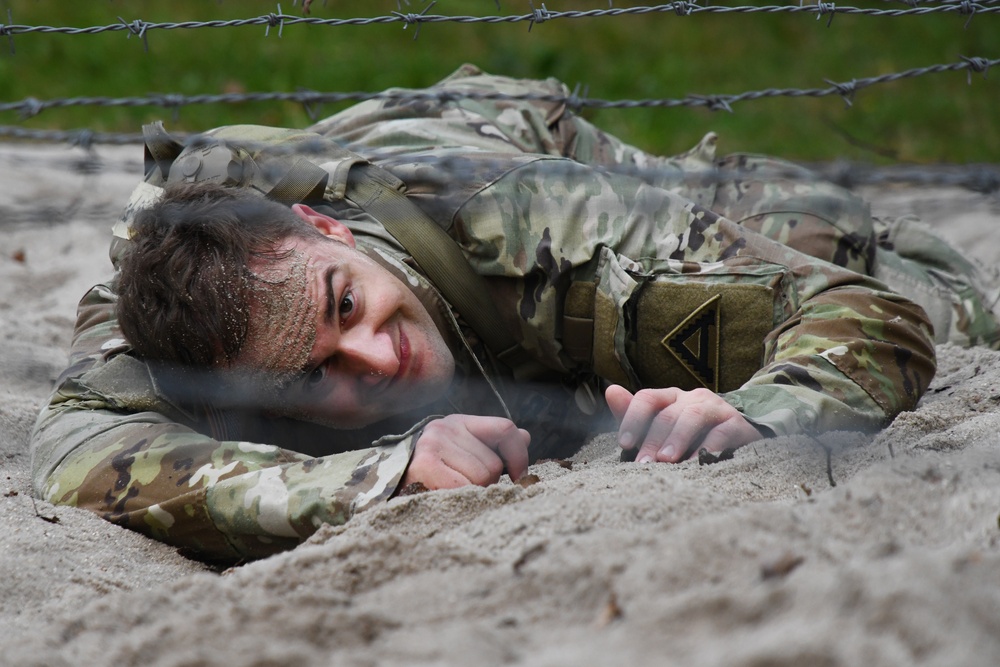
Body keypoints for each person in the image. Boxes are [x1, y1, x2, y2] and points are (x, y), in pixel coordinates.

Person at [30, 65, 998, 562]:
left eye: (345, 302)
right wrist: (380, 474)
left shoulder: (527, 227)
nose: (377, 354)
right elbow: (72, 456)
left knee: (947, 308)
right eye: (314, 373)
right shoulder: (163, 306)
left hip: (640, 218)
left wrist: (767, 411)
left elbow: (866, 319)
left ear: (326, 227)